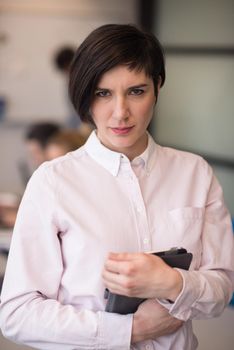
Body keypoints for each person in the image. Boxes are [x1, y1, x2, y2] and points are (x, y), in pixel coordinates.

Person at [0, 24, 233, 350]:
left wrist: (171, 282)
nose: (120, 113)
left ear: (158, 87)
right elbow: (17, 314)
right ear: (84, 95)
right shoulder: (53, 181)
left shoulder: (194, 173)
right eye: (103, 93)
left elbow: (221, 291)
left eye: (136, 91)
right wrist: (128, 330)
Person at [53, 45, 93, 136]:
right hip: (76, 126)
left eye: (66, 69)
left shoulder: (87, 80)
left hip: (87, 127)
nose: (67, 74)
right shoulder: (69, 82)